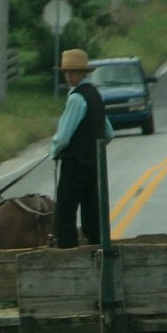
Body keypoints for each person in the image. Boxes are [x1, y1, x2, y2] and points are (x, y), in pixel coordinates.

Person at [49, 48, 114, 249]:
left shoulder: (76, 98)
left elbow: (63, 137)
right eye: (67, 72)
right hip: (94, 165)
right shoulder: (94, 94)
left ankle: (68, 252)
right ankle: (98, 248)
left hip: (75, 165)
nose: (69, 76)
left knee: (64, 214)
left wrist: (54, 152)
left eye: (73, 72)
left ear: (83, 73)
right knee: (91, 212)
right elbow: (109, 133)